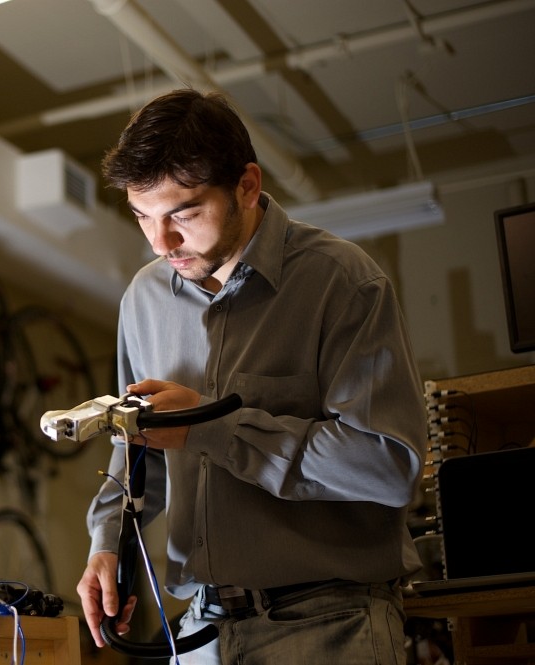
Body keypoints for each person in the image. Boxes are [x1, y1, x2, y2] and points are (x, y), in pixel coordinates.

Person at [76, 88, 427, 665]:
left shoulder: (341, 282)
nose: (161, 243)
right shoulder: (143, 299)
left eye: (183, 214)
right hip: (201, 631)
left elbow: (388, 466)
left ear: (246, 184)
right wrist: (108, 544)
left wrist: (211, 429)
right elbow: (141, 446)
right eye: (143, 217)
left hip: (329, 624)